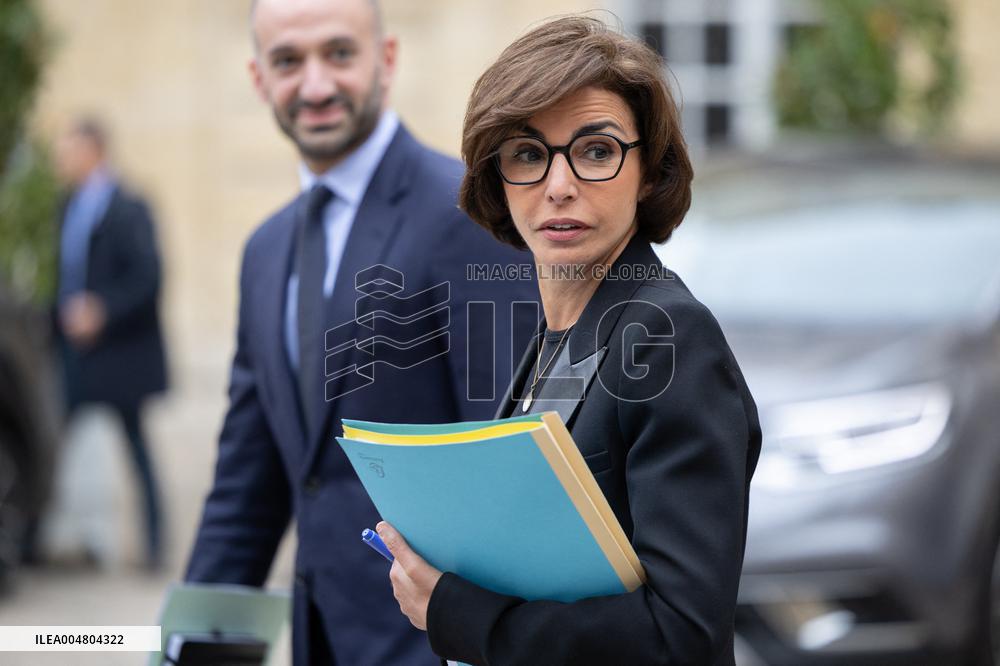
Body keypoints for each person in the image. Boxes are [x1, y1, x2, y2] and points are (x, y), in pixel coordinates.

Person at [378, 15, 762, 665]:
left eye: (595, 150)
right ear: (496, 179)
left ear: (648, 171)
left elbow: (683, 635)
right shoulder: (560, 334)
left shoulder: (668, 336)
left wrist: (458, 613)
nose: (559, 185)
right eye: (528, 153)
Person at [184, 1, 536, 665]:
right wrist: (191, 644)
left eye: (339, 53)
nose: (315, 85)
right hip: (319, 640)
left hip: (435, 645)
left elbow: (506, 461)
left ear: (388, 60)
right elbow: (246, 485)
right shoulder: (264, 251)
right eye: (288, 61)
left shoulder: (468, 213)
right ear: (259, 77)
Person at [51, 117, 168, 571]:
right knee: (51, 440)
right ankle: (28, 540)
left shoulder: (130, 206)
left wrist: (101, 309)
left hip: (119, 353)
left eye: (70, 151)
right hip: (74, 353)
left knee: (136, 448)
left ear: (94, 150)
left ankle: (155, 545)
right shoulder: (67, 205)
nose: (63, 161)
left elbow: (148, 277)